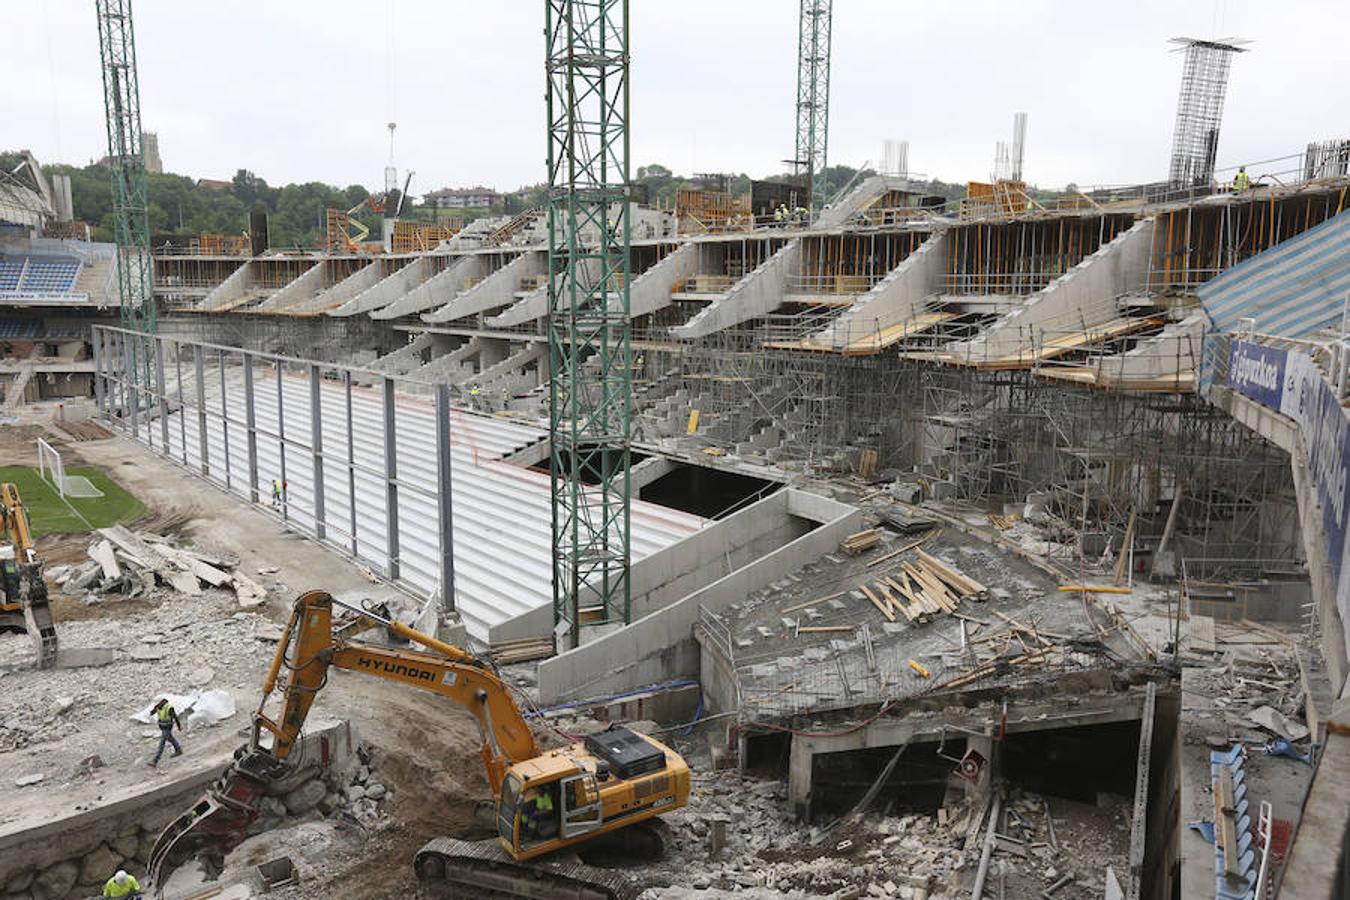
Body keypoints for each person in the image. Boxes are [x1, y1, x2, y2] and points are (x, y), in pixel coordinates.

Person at [149, 698, 183, 767]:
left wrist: (179, 727)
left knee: (162, 743)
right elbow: (151, 713)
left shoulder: (169, 708)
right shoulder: (158, 707)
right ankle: (178, 750)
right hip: (162, 726)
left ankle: (155, 760)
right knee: (170, 738)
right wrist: (154, 709)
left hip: (167, 727)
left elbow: (175, 717)